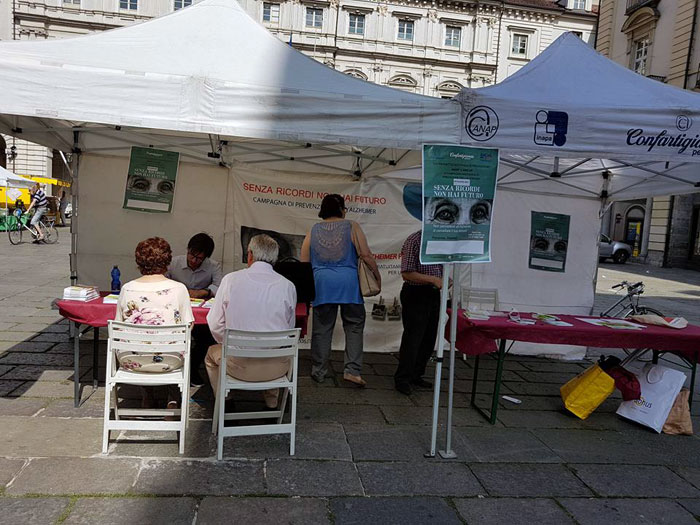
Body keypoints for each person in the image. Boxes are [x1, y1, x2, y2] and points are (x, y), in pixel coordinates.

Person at [205, 234, 296, 409]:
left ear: (250, 255)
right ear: (275, 259)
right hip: (277, 369)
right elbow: (288, 329)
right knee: (275, 347)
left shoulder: (231, 280)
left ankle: (225, 403)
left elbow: (215, 323)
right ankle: (271, 404)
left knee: (211, 354)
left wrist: (231, 345)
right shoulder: (288, 286)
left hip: (239, 367)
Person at [300, 194, 380, 387]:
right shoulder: (352, 226)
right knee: (354, 326)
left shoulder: (313, 229)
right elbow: (365, 254)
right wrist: (377, 274)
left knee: (321, 329)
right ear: (342, 209)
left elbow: (304, 261)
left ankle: (318, 370)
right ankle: (352, 371)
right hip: (349, 284)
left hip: (322, 284)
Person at [115, 237, 194, 409]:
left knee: (138, 342)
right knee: (178, 343)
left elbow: (119, 326)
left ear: (139, 261)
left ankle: (147, 398)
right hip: (170, 360)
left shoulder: (127, 289)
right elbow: (189, 326)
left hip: (131, 360)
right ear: (167, 260)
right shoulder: (179, 289)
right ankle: (173, 400)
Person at [166, 233, 222, 386]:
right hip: (176, 312)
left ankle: (193, 367)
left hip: (201, 313)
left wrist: (203, 292)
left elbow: (219, 287)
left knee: (209, 338)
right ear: (188, 249)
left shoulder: (213, 266)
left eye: (199, 258)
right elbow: (162, 280)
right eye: (191, 255)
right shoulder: (174, 263)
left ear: (206, 258)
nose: (193, 260)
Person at [394, 230, 442, 395]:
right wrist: (433, 279)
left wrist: (444, 279)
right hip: (416, 293)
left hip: (434, 293)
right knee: (413, 338)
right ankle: (402, 378)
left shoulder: (443, 240)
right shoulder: (414, 240)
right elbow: (407, 273)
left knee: (429, 338)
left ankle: (416, 374)